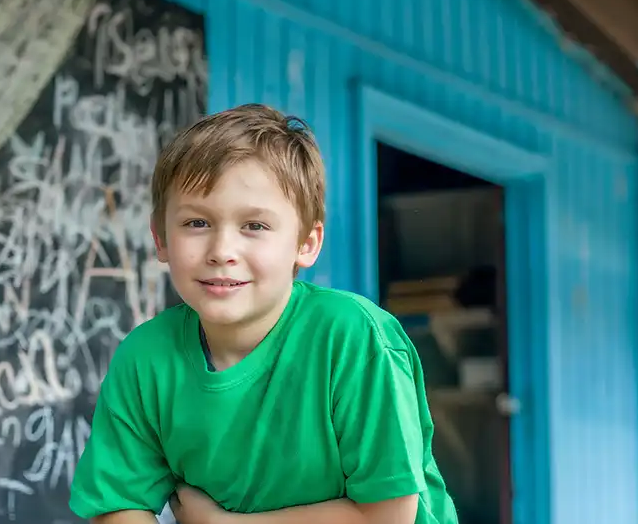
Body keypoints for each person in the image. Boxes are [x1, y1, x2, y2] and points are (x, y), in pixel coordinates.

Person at [68, 104, 459, 524]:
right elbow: (118, 505)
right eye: (197, 223)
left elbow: (388, 515)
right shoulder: (145, 358)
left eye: (254, 226)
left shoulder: (352, 337)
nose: (222, 251)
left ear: (306, 244)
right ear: (160, 238)